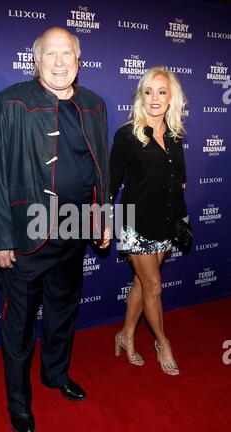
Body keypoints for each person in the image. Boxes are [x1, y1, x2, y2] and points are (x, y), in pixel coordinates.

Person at [0, 27, 110, 432]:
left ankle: (55, 375)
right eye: (50, 54)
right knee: (18, 326)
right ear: (36, 61)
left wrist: (103, 218)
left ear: (78, 59)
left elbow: (100, 168)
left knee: (62, 314)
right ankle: (19, 403)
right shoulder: (10, 102)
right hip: (26, 236)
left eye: (66, 54)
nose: (59, 62)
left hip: (73, 232)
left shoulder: (94, 104)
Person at [110, 66, 189, 376]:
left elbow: (179, 181)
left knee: (142, 285)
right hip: (135, 223)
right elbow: (111, 182)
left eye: (162, 92)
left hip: (165, 222)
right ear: (140, 97)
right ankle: (162, 342)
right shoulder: (128, 135)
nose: (155, 98)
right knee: (154, 286)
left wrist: (181, 217)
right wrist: (102, 221)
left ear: (171, 98)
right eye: (148, 92)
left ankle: (125, 335)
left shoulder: (174, 136)